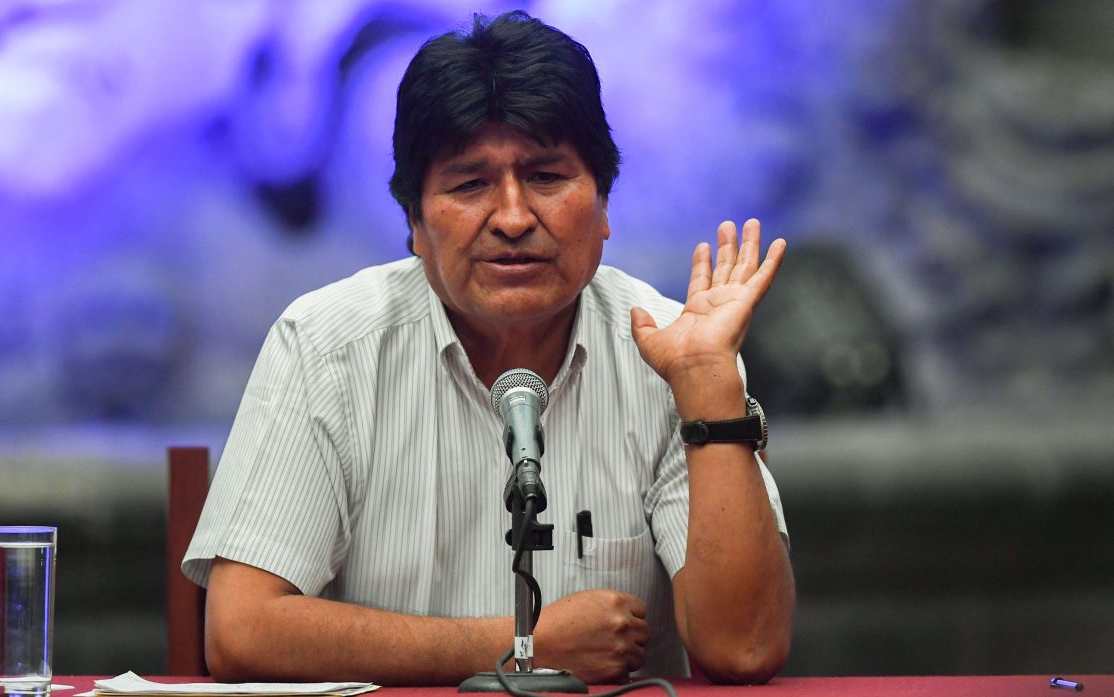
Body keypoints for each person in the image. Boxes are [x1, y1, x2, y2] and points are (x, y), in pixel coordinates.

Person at [183, 10, 794, 686]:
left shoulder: (677, 350)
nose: (512, 217)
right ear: (415, 223)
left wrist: (709, 386)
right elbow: (241, 631)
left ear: (604, 205)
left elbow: (743, 648)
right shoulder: (327, 345)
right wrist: (522, 645)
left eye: (546, 177)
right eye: (470, 185)